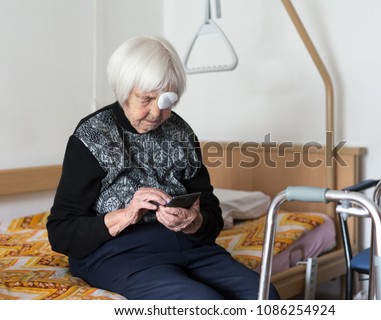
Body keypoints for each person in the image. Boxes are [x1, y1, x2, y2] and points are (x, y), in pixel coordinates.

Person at [46, 36, 280, 300]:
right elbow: (61, 232)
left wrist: (195, 221)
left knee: (265, 297)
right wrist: (124, 216)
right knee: (200, 303)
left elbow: (210, 208)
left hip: (189, 246)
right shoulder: (92, 136)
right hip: (118, 252)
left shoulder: (180, 131)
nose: (156, 113)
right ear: (124, 90)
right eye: (146, 99)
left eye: (166, 102)